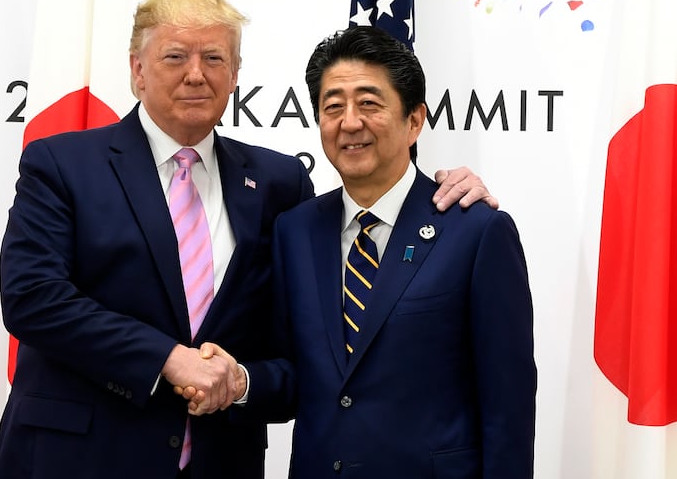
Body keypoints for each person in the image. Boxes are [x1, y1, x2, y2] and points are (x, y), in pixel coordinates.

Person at [0, 0, 498, 479]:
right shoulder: (62, 163)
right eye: (174, 57)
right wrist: (169, 359)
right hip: (76, 458)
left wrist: (440, 189)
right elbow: (32, 298)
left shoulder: (278, 184)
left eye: (214, 59)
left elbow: (305, 343)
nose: (195, 75)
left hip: (220, 462)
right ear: (137, 70)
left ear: (235, 76)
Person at [206, 26, 536, 478]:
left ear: (414, 120)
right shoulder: (295, 231)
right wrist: (240, 381)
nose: (350, 122)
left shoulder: (476, 231)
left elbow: (508, 405)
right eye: (333, 106)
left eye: (369, 103)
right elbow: (297, 374)